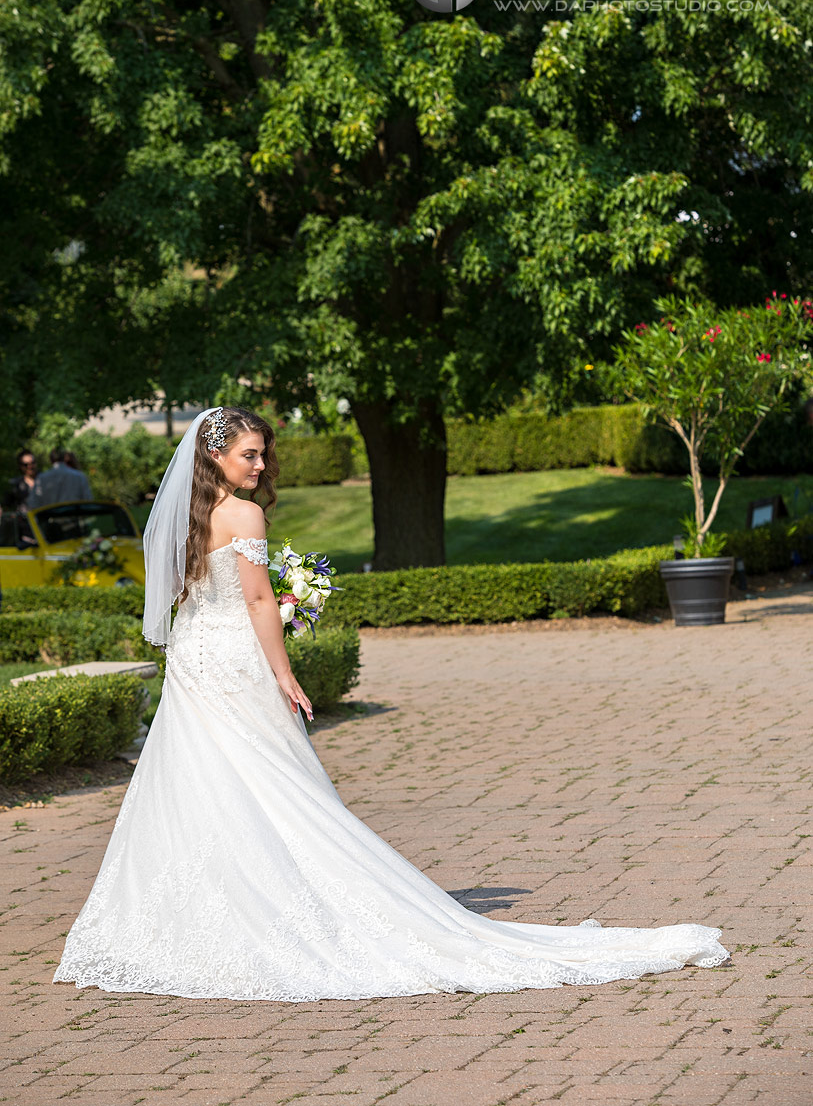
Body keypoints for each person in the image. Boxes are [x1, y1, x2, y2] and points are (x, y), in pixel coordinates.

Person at [53, 406, 729, 1001]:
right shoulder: (244, 513)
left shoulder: (186, 516)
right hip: (233, 660)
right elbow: (258, 600)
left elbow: (183, 598)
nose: (260, 464)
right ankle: (282, 896)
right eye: (248, 454)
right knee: (275, 783)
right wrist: (284, 673)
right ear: (214, 455)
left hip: (193, 660)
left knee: (199, 777)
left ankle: (194, 909)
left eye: (263, 454)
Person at [28, 447, 92, 509]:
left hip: (49, 518)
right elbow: (88, 501)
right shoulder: (80, 476)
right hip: (74, 517)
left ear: (50, 460)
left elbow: (33, 504)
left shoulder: (41, 478)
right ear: (64, 458)